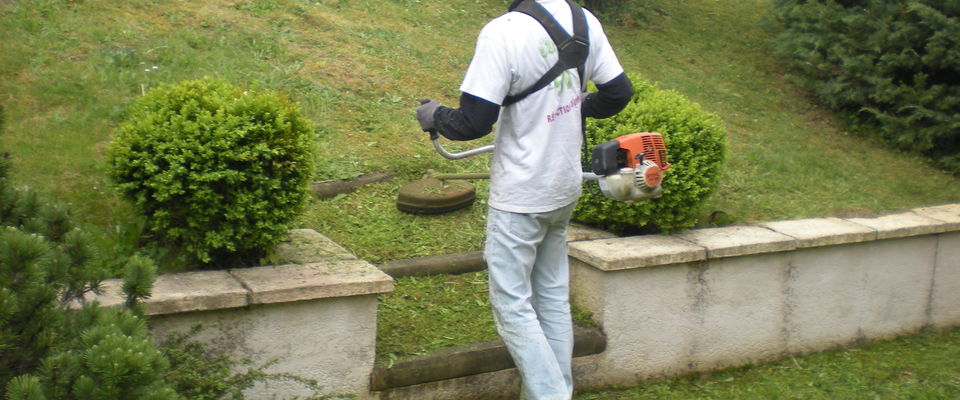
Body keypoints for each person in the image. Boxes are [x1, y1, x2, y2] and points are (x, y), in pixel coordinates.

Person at [416, 0, 632, 398]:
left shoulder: (504, 31)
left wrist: (434, 115)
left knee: (512, 307)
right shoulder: (584, 20)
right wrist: (579, 105)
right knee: (550, 295)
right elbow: (619, 92)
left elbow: (473, 121)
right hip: (563, 188)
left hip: (521, 195)